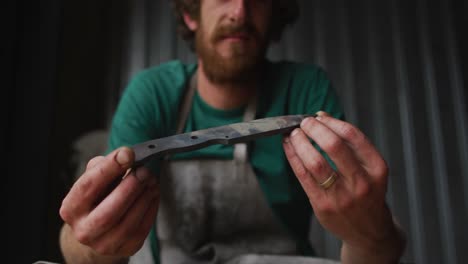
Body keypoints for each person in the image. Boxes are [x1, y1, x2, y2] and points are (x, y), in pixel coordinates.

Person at [59, 0, 406, 263]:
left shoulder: (304, 89)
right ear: (192, 13)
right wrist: (87, 240)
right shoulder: (153, 92)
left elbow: (378, 246)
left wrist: (370, 236)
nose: (240, 11)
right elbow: (79, 245)